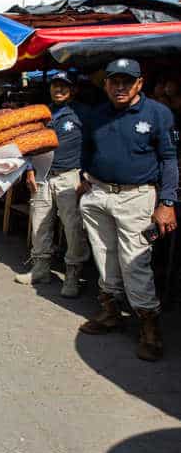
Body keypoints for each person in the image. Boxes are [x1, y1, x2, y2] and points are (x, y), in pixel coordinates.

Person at [78, 58, 178, 362]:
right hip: (98, 195)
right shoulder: (97, 114)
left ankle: (150, 327)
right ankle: (111, 312)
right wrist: (84, 175)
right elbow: (88, 148)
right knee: (104, 256)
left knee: (135, 261)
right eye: (114, 81)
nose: (120, 87)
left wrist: (168, 203)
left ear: (139, 83)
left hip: (136, 198)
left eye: (127, 81)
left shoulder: (158, 113)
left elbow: (170, 160)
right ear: (105, 83)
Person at [15, 70, 90, 296]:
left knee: (73, 227)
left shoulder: (83, 114)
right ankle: (40, 269)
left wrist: (87, 175)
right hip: (42, 175)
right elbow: (30, 143)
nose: (59, 90)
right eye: (56, 85)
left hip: (70, 176)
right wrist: (29, 169)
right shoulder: (43, 113)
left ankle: (73, 275)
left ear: (73, 90)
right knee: (39, 223)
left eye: (64, 86)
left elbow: (94, 145)